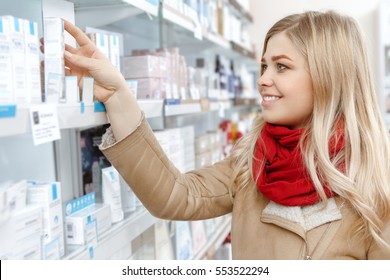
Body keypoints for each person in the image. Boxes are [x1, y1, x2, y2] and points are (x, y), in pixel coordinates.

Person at [59, 10, 390, 259]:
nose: (262, 79)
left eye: (282, 66)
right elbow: (176, 196)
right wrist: (118, 95)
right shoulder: (253, 162)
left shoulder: (375, 184)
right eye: (263, 66)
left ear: (329, 77)